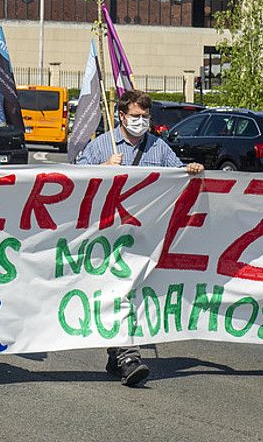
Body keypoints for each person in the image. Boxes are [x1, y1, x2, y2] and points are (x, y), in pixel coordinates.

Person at [74, 89, 205, 386]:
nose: (141, 121)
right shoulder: (102, 146)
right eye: (136, 116)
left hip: (144, 235)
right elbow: (75, 177)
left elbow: (178, 174)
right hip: (109, 236)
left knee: (130, 292)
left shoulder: (158, 147)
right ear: (121, 115)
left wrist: (192, 170)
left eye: (145, 117)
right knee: (119, 290)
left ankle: (117, 353)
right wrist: (102, 168)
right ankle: (128, 356)